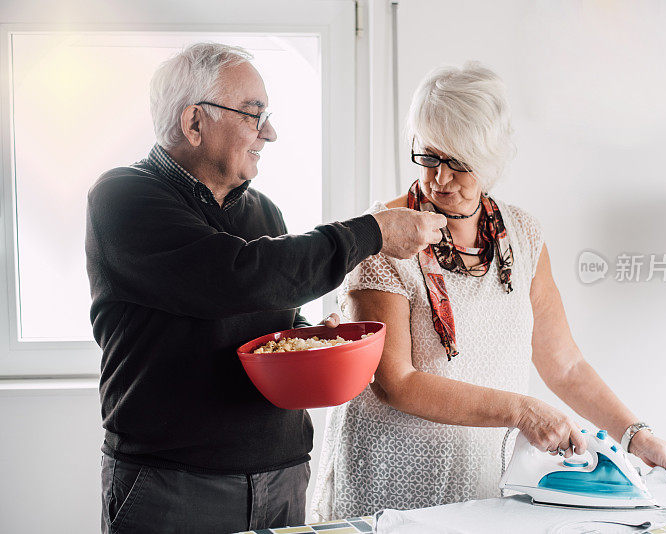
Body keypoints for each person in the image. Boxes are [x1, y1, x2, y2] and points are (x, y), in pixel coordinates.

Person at [310, 62, 666, 520]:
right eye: (428, 157)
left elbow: (565, 364)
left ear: (490, 159)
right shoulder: (384, 237)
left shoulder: (521, 234)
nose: (439, 179)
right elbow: (397, 382)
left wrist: (638, 438)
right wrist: (521, 410)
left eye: (458, 163)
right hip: (395, 478)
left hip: (483, 481)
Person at [85, 42, 445, 534]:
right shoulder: (123, 199)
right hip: (173, 484)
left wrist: (311, 337)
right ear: (194, 123)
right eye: (254, 116)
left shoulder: (264, 212)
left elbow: (268, 312)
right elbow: (232, 278)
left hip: (282, 476)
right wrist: (372, 232)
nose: (269, 133)